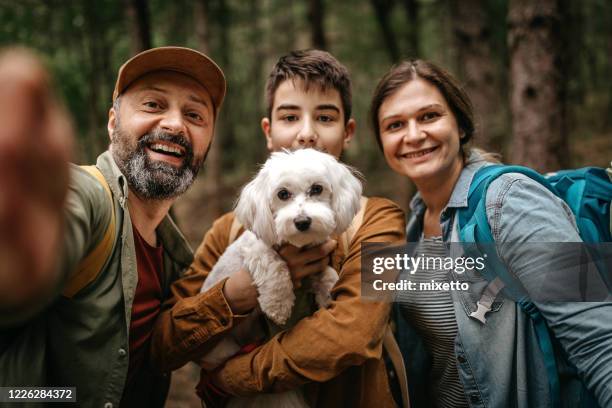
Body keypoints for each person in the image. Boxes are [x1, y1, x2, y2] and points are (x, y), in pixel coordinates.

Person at [150, 50, 406, 407]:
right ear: (268, 131)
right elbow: (163, 343)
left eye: (325, 117)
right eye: (290, 116)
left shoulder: (381, 221)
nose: (306, 134)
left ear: (348, 132)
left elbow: (353, 334)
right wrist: (234, 295)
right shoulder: (228, 230)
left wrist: (232, 378)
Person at [370, 60, 612, 407]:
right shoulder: (410, 226)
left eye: (429, 116)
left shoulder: (510, 199)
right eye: (395, 125)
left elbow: (597, 337)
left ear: (461, 124)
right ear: (382, 141)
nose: (413, 134)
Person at [0, 46, 231, 407]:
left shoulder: (178, 260)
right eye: (153, 105)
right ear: (112, 122)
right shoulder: (86, 197)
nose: (174, 124)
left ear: (208, 143)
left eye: (195, 115)